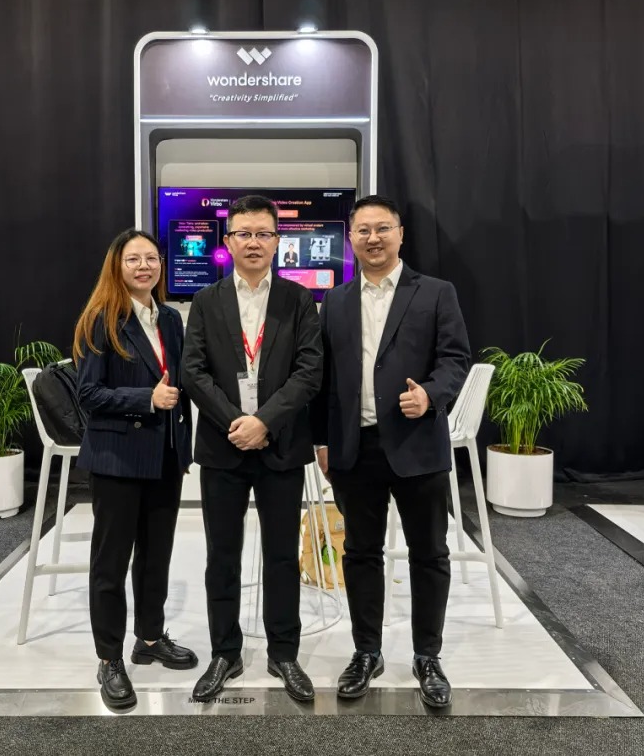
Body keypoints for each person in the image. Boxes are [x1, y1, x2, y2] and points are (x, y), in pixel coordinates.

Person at [313, 195, 470, 708]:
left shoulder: (436, 292)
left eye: (383, 228)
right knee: (360, 554)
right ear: (350, 239)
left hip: (416, 445)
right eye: (363, 230)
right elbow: (323, 379)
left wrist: (431, 395)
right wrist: (322, 440)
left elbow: (455, 359)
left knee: (429, 554)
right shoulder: (335, 300)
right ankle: (367, 651)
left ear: (401, 234)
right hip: (354, 449)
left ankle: (428, 656)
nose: (373, 238)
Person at [182, 195, 323, 703]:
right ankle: (226, 652)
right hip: (223, 448)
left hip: (280, 445)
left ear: (278, 241)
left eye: (264, 233)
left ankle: (284, 652)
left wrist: (264, 421)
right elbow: (192, 371)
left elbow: (310, 371)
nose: (254, 242)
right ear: (228, 241)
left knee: (282, 555)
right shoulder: (206, 300)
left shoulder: (298, 300)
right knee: (222, 554)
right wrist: (235, 423)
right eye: (244, 233)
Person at [73, 228, 197, 709]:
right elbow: (88, 394)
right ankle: (109, 658)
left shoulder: (169, 318)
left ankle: (149, 638)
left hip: (164, 456)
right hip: (118, 459)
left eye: (151, 258)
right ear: (117, 266)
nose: (144, 266)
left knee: (155, 556)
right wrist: (146, 398)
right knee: (110, 564)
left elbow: (181, 384)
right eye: (133, 259)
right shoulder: (100, 320)